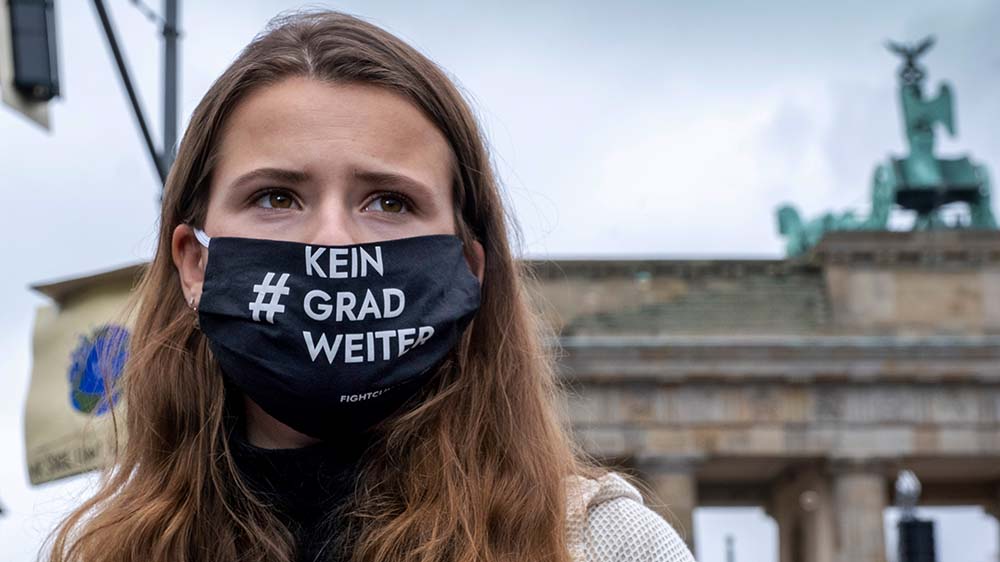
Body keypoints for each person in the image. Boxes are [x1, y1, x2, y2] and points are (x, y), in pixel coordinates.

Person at [46, 10, 696, 562]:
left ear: (468, 268)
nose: (331, 241)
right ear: (194, 262)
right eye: (277, 196)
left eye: (388, 202)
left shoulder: (602, 545)